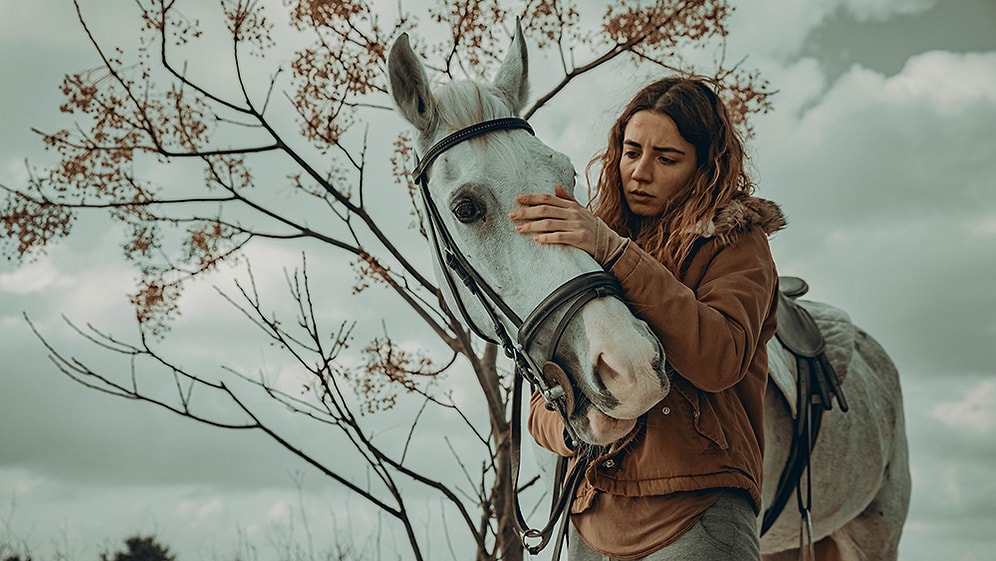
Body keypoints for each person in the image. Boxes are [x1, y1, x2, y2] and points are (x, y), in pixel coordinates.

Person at [508, 76, 786, 560]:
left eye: (666, 159)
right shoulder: (590, 244)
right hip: (591, 516)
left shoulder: (736, 242)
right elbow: (541, 401)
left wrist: (615, 252)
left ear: (705, 165)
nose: (639, 171)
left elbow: (718, 357)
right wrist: (578, 425)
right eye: (631, 150)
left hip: (695, 505)